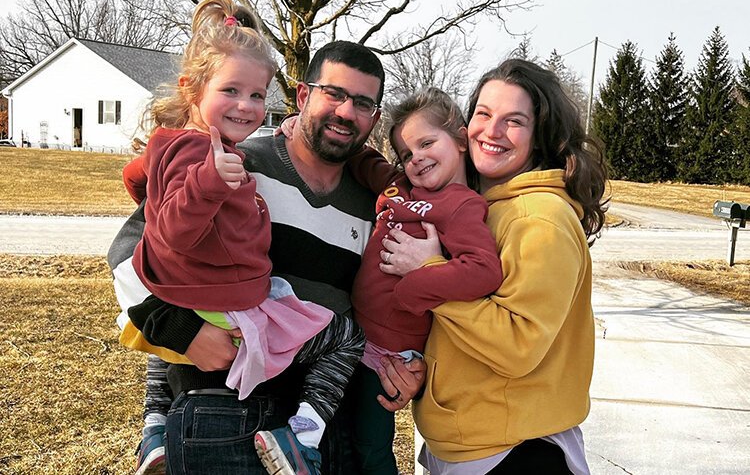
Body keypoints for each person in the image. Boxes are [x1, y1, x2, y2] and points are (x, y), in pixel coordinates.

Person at [108, 37, 426, 474]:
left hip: (322, 426)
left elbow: (381, 306)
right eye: (334, 94)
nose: (346, 112)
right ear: (303, 95)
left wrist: (403, 364)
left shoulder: (375, 205)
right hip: (221, 413)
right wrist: (183, 332)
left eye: (363, 103)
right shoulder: (233, 165)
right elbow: (130, 258)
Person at [381, 59, 608, 474]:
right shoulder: (483, 207)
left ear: (540, 136)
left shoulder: (538, 218)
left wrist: (429, 274)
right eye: (483, 114)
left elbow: (517, 344)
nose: (493, 131)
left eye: (514, 120)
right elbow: (466, 333)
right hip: (476, 443)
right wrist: (422, 373)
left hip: (514, 451)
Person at [343, 87, 503, 473]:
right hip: (352, 327)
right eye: (407, 153)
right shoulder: (400, 185)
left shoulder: (462, 205)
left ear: (462, 139)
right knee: (340, 428)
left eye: (427, 143)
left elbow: (483, 269)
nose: (416, 159)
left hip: (388, 347)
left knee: (369, 444)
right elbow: (364, 161)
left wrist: (416, 282)